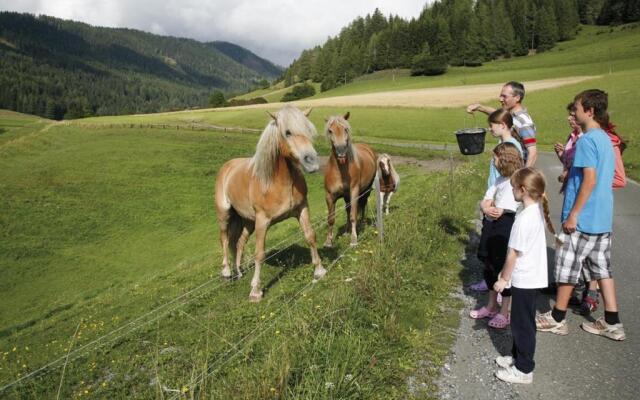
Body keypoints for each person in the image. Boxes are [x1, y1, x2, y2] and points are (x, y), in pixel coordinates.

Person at [535, 89, 625, 341]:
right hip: (602, 217)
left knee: (567, 268)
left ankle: (556, 318)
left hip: (583, 218)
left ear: (590, 110)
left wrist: (573, 214)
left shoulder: (586, 140)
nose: (572, 112)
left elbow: (589, 180)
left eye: (576, 108)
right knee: (601, 270)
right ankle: (612, 321)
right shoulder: (605, 138)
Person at [493, 167, 556, 384]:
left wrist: (503, 279)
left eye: (512, 188)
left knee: (522, 325)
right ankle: (516, 356)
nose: (511, 191)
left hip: (525, 279)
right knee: (522, 321)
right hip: (532, 277)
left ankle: (524, 369)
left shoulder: (523, 219)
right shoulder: (535, 209)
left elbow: (512, 254)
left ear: (522, 190)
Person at [470, 109, 524, 294]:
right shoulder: (502, 144)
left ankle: (500, 285)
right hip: (494, 198)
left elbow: (515, 181)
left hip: (502, 205)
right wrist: (487, 201)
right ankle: (490, 282)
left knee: (499, 250)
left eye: (491, 125)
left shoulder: (511, 146)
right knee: (488, 246)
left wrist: (497, 204)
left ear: (502, 125)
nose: (489, 128)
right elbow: (496, 182)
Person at [470, 142, 523, 329]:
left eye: (495, 158)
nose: (493, 161)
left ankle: (504, 312)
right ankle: (491, 306)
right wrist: (486, 207)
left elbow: (514, 205)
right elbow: (487, 198)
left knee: (503, 267)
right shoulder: (500, 179)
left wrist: (500, 210)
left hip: (506, 227)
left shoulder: (517, 180)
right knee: (490, 265)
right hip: (492, 225)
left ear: (505, 159)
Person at [467, 81, 538, 167]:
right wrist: (479, 107)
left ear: (517, 98)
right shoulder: (509, 115)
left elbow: (533, 153)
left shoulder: (524, 123)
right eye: (501, 96)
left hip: (516, 172)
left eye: (504, 96)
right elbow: (496, 113)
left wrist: (523, 177)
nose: (500, 99)